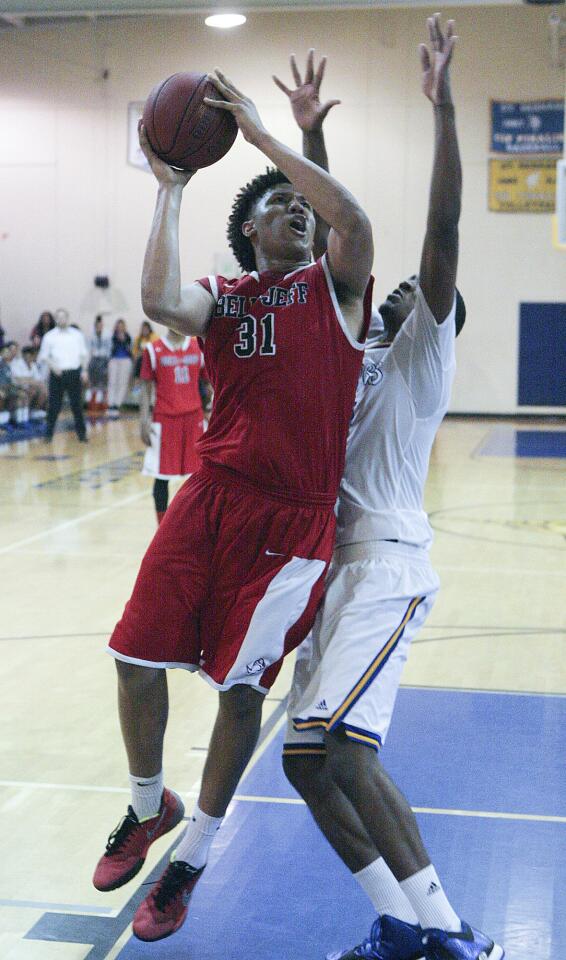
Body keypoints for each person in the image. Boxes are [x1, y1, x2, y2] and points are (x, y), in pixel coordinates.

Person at [91, 69, 373, 944]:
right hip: (210, 498)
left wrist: (262, 136)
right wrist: (169, 190)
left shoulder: (335, 289)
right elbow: (157, 300)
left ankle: (193, 859)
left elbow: (353, 223)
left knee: (239, 694)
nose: (297, 209)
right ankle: (150, 805)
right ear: (249, 231)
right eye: (278, 204)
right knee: (133, 657)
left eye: (304, 203)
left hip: (291, 526)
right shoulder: (230, 298)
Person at [277, 20, 503, 960]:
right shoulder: (357, 350)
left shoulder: (419, 353)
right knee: (301, 760)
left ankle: (450, 936)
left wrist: (444, 105)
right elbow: (341, 245)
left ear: (440, 313)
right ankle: (405, 929)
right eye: (396, 285)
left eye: (419, 287)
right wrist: (311, 141)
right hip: (337, 572)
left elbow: (439, 229)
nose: (401, 286)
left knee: (345, 748)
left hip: (387, 565)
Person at [139, 327, 206, 525]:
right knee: (161, 477)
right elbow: (145, 389)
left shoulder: (197, 346)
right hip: (164, 421)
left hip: (194, 420)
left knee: (200, 477)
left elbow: (211, 382)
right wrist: (143, 420)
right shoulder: (152, 349)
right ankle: (162, 527)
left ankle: (198, 525)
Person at [38, 308, 89, 442]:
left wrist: (84, 371)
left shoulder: (77, 335)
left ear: (68, 318)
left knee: (77, 406)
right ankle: (48, 435)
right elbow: (43, 356)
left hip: (73, 373)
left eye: (64, 317)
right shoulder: (49, 336)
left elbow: (83, 354)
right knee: (54, 406)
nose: (61, 320)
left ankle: (82, 435)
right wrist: (53, 367)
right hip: (57, 374)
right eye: (58, 317)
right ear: (56, 319)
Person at [10, 344, 47, 415]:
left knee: (44, 390)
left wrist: (30, 381)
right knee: (31, 391)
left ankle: (35, 411)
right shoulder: (17, 363)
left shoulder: (33, 365)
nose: (30, 357)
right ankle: (24, 414)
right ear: (25, 355)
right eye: (28, 355)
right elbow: (18, 379)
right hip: (17, 386)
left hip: (30, 386)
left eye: (32, 356)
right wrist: (30, 380)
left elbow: (38, 379)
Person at [107, 318, 133, 416]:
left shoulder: (128, 337)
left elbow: (130, 349)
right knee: (112, 381)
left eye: (122, 326)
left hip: (125, 360)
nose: (120, 328)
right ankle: (111, 403)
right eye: (118, 326)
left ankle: (117, 404)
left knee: (122, 382)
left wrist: (124, 341)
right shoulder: (112, 336)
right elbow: (110, 349)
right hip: (114, 359)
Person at [87, 315, 112, 413]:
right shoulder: (91, 334)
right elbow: (89, 348)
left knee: (103, 383)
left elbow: (109, 348)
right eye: (97, 325)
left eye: (101, 325)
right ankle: (92, 404)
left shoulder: (107, 334)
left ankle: (103, 405)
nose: (99, 327)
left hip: (104, 360)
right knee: (93, 383)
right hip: (94, 360)